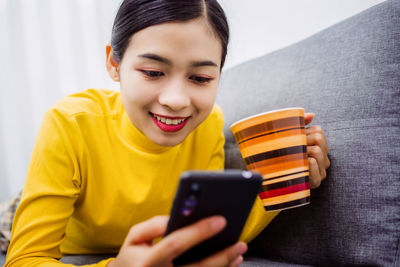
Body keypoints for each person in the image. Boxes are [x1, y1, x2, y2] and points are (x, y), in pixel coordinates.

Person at [4, 0, 330, 266]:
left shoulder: (208, 123)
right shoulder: (69, 122)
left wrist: (282, 184)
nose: (176, 101)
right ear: (114, 64)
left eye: (200, 78)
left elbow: (206, 234)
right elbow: (25, 260)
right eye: (153, 72)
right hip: (34, 210)